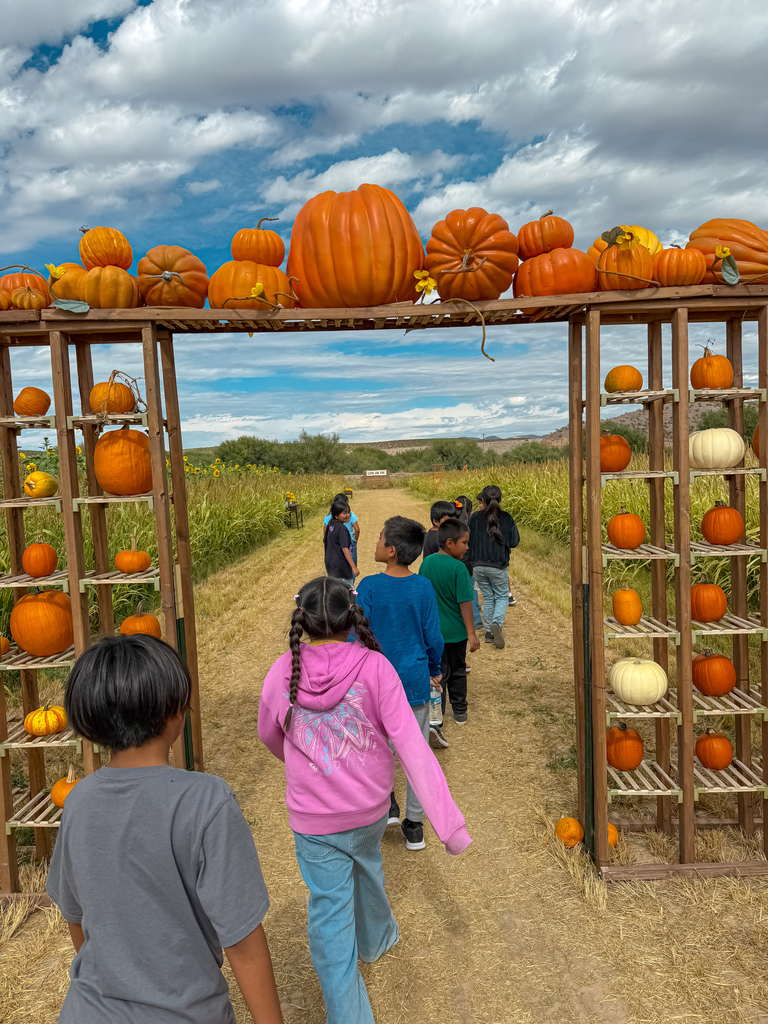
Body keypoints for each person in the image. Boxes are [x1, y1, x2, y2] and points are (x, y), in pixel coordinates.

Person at [258, 577, 471, 1024]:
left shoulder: (283, 670)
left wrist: (302, 760)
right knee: (368, 862)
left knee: (329, 912)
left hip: (313, 817)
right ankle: (376, 940)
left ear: (304, 621)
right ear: (350, 616)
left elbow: (269, 734)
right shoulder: (375, 667)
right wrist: (449, 827)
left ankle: (355, 987)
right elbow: (413, 746)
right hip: (371, 809)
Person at [46, 634, 283, 1024]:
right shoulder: (207, 800)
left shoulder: (79, 800)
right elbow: (242, 940)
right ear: (176, 711)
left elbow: (77, 918)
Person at [356, 516, 447, 846]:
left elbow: (357, 636)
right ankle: (414, 825)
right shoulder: (423, 587)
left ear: (391, 551)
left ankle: (386, 807)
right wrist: (434, 668)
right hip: (413, 681)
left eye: (380, 538)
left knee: (377, 751)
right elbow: (433, 637)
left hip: (375, 684)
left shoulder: (368, 587)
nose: (376, 542)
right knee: (415, 754)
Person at [418, 518, 481, 724]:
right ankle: (460, 709)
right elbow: (465, 602)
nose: (467, 547)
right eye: (464, 542)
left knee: (437, 674)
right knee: (457, 671)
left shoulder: (427, 563)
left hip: (432, 633)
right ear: (449, 543)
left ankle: (436, 716)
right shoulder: (459, 568)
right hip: (455, 634)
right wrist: (471, 633)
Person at [469, 484, 520, 649]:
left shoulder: (475, 518)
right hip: (498, 565)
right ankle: (497, 623)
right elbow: (514, 542)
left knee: (489, 597)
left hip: (477, 565)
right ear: (500, 499)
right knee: (502, 596)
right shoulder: (506, 518)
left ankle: (490, 633)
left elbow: (467, 540)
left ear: (482, 499)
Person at [324, 499, 358, 585]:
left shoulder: (331, 524)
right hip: (341, 568)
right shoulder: (342, 529)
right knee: (348, 592)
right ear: (336, 515)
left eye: (348, 512)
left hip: (331, 566)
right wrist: (354, 567)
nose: (347, 515)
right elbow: (344, 548)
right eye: (344, 513)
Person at [324, 492, 360, 563]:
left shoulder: (327, 517)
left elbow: (325, 534)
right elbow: (357, 529)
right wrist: (354, 541)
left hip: (334, 544)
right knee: (351, 564)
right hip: (349, 542)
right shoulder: (350, 514)